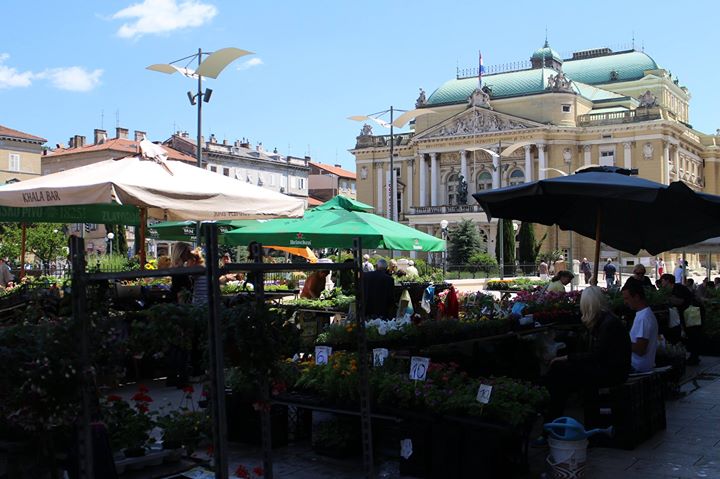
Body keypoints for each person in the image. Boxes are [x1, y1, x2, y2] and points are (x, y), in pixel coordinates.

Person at [543, 286, 631, 419]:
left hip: (612, 372)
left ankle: (552, 418)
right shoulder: (606, 321)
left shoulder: (608, 324)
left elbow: (597, 355)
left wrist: (567, 358)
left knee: (559, 373)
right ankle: (554, 416)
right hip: (612, 368)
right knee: (560, 372)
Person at [622, 281, 659, 373]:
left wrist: (620, 343)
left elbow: (640, 349)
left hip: (637, 367)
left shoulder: (644, 318)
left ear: (637, 297)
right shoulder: (643, 315)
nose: (625, 302)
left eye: (627, 298)